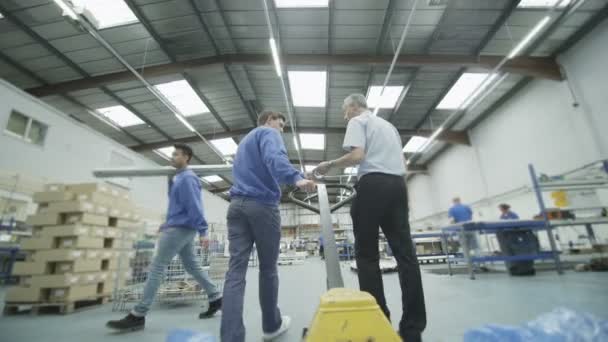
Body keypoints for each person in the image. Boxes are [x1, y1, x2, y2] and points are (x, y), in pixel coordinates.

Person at [315, 94, 426, 342]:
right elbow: (403, 164)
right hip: (398, 186)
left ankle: (379, 320)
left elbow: (357, 156)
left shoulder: (358, 121)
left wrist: (328, 165)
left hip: (373, 184)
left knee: (366, 255)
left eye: (346, 111)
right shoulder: (389, 127)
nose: (345, 117)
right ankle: (413, 328)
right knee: (406, 256)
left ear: (354, 107)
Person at [221, 110, 316, 342]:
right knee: (268, 269)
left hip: (236, 207)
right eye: (279, 124)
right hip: (261, 206)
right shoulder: (267, 133)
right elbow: (275, 158)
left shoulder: (243, 144)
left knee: (235, 272)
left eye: (283, 126)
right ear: (267, 120)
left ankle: (231, 338)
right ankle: (271, 326)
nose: (281, 129)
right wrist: (296, 178)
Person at [107, 144, 222, 331]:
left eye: (176, 154)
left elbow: (194, 206)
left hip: (181, 228)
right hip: (178, 226)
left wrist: (203, 231)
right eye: (172, 154)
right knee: (191, 265)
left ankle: (138, 314)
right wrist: (168, 221)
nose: (172, 157)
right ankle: (216, 297)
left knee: (156, 267)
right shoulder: (178, 178)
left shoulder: (187, 179)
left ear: (187, 157)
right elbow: (177, 205)